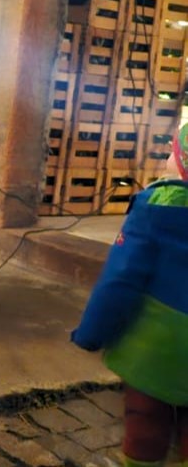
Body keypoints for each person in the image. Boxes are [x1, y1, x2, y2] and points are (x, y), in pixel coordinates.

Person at [71, 122, 188, 467]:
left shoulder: (156, 209)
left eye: (172, 152)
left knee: (146, 422)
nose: (167, 159)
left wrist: (91, 334)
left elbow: (120, 281)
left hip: (156, 350)